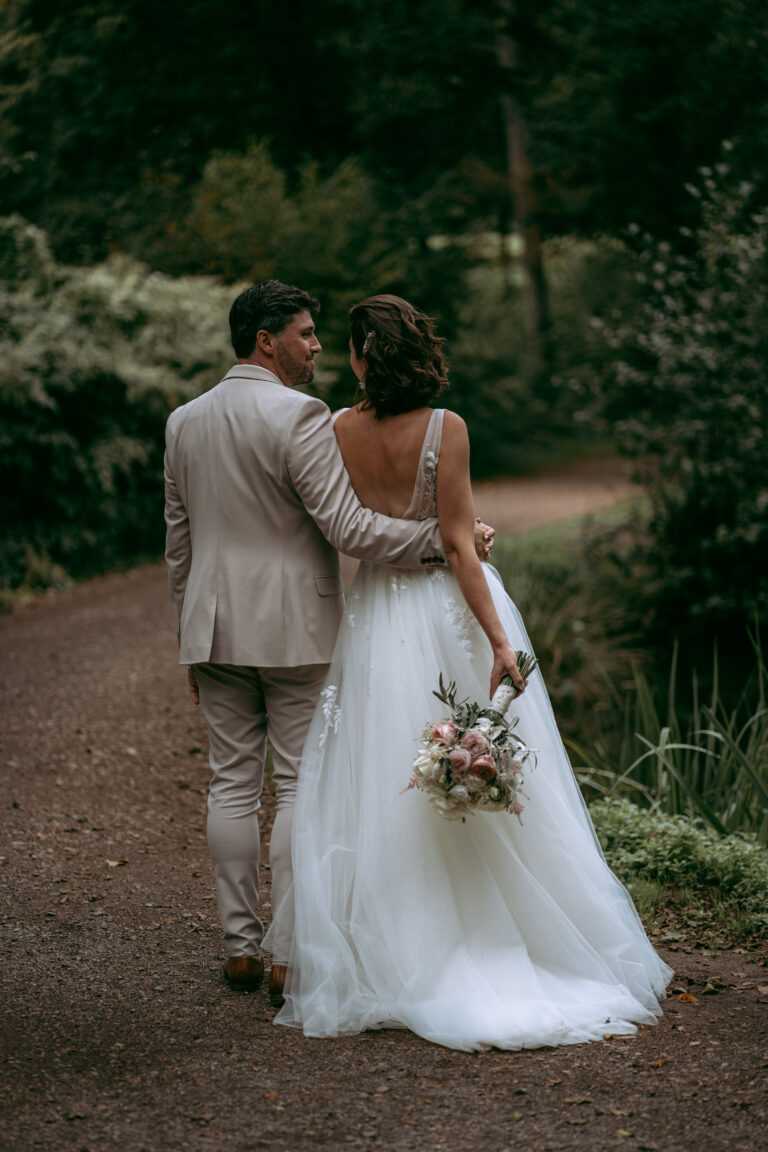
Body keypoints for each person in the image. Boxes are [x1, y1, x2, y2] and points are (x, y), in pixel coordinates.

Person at [264, 294, 672, 1050]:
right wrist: (499, 641)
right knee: (477, 769)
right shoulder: (446, 429)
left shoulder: (335, 429)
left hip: (377, 616)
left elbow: (353, 532)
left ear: (360, 356)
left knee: (381, 776)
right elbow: (457, 545)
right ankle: (498, 930)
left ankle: (390, 949)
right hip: (446, 612)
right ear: (416, 351)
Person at [163, 280, 494, 1004]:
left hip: (212, 630)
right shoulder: (302, 415)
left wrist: (189, 635)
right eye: (305, 334)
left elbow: (179, 543)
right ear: (266, 341)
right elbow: (348, 529)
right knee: (298, 788)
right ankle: (289, 951)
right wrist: (443, 543)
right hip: (296, 631)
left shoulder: (183, 421)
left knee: (229, 784)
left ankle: (241, 950)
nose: (316, 347)